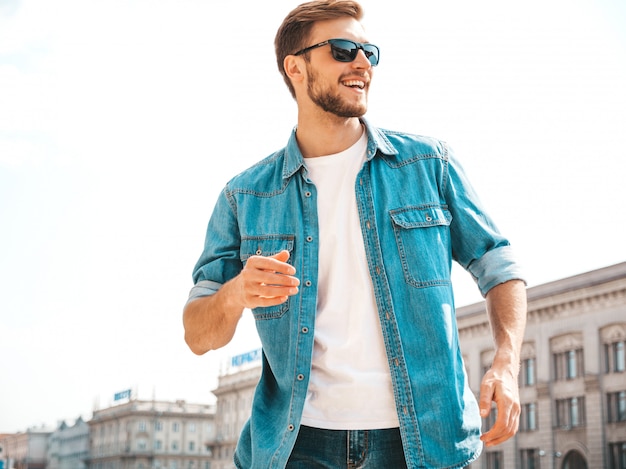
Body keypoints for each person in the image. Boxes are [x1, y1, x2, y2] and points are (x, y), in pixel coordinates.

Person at [183, 0, 527, 467]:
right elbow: (198, 335)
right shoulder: (244, 196)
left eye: (370, 52)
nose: (363, 63)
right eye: (344, 50)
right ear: (296, 68)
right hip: (296, 447)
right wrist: (235, 294)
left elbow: (497, 264)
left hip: (423, 442)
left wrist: (506, 361)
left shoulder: (429, 164)